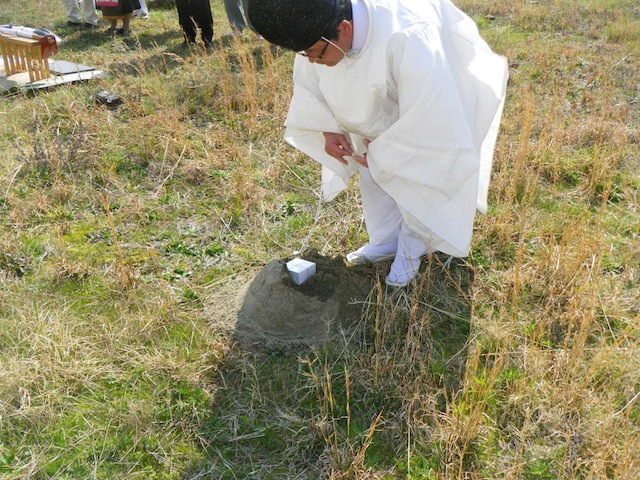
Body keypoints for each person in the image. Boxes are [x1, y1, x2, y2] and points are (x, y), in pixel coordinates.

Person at [247, 0, 508, 287]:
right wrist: (329, 129)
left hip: (436, 97)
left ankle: (413, 245)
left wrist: (385, 153)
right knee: (371, 160)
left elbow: (430, 124)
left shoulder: (411, 36)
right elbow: (312, 75)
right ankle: (385, 239)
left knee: (412, 172)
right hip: (389, 91)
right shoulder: (320, 27)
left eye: (315, 54)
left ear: (344, 29)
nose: (311, 60)